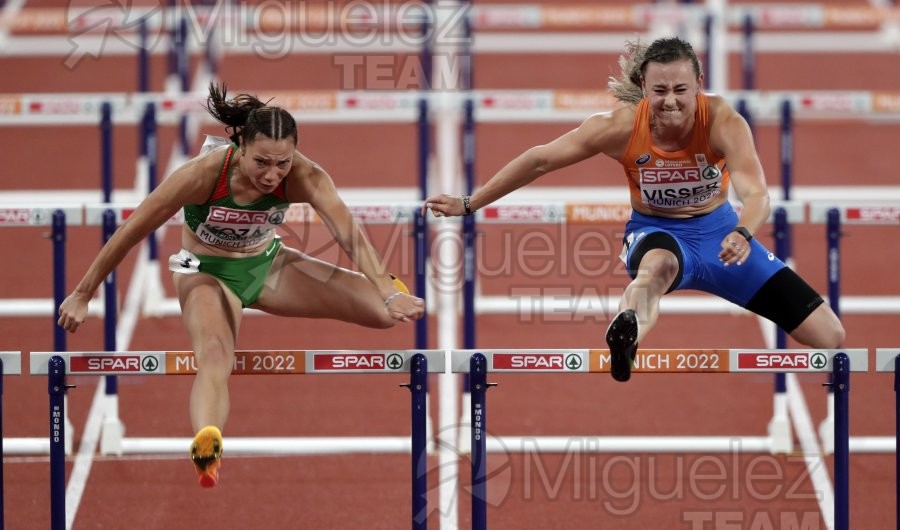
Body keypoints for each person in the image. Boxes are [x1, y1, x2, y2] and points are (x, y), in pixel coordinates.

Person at [58, 83, 425, 487]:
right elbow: (131, 229)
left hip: (265, 266)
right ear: (240, 148)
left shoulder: (307, 176)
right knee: (216, 353)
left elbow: (349, 234)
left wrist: (387, 289)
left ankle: (386, 287)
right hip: (204, 271)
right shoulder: (202, 175)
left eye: (282, 163)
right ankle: (207, 443)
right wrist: (83, 292)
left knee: (381, 311)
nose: (272, 175)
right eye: (262, 162)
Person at [423, 37, 844, 382]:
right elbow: (540, 159)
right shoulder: (619, 128)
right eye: (659, 91)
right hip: (657, 233)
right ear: (644, 87)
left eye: (681, 90)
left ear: (699, 83)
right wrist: (468, 203)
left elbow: (758, 196)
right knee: (655, 269)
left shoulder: (723, 122)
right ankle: (627, 331)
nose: (671, 101)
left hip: (723, 237)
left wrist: (743, 233)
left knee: (830, 335)